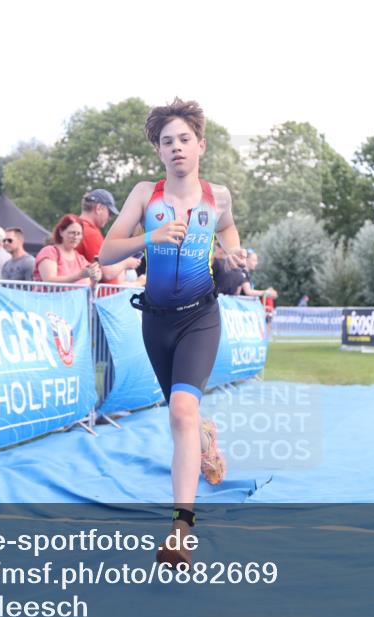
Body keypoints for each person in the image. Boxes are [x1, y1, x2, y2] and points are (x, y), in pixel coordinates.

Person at [99, 98, 247, 570]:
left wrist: (236, 257)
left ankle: (181, 530)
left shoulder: (218, 195)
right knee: (183, 415)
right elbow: (105, 253)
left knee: (181, 409)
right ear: (159, 153)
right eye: (168, 142)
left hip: (200, 318)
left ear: (201, 145)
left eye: (185, 139)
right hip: (156, 320)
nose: (177, 147)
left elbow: (228, 230)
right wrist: (149, 239)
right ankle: (205, 438)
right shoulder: (146, 194)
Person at [76, 189, 141, 284]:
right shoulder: (90, 232)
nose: (109, 218)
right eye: (109, 213)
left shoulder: (77, 227)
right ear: (99, 208)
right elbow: (108, 273)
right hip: (101, 297)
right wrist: (127, 262)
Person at [33, 215, 102, 285]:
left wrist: (94, 278)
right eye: (72, 233)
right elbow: (49, 281)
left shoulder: (81, 259)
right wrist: (79, 276)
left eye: (79, 234)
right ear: (61, 232)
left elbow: (87, 287)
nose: (76, 237)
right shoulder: (49, 252)